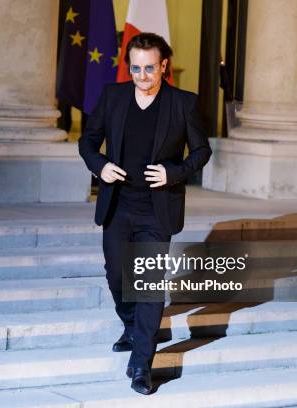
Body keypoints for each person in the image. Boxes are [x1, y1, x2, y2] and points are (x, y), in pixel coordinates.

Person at [78, 32, 212, 395]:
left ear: (163, 66)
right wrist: (99, 165)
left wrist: (175, 172)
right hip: (118, 204)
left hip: (156, 208)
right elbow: (88, 141)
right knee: (117, 275)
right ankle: (132, 324)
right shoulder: (113, 97)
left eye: (149, 68)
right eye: (136, 68)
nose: (142, 75)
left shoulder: (183, 103)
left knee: (149, 284)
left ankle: (141, 364)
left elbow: (201, 151)